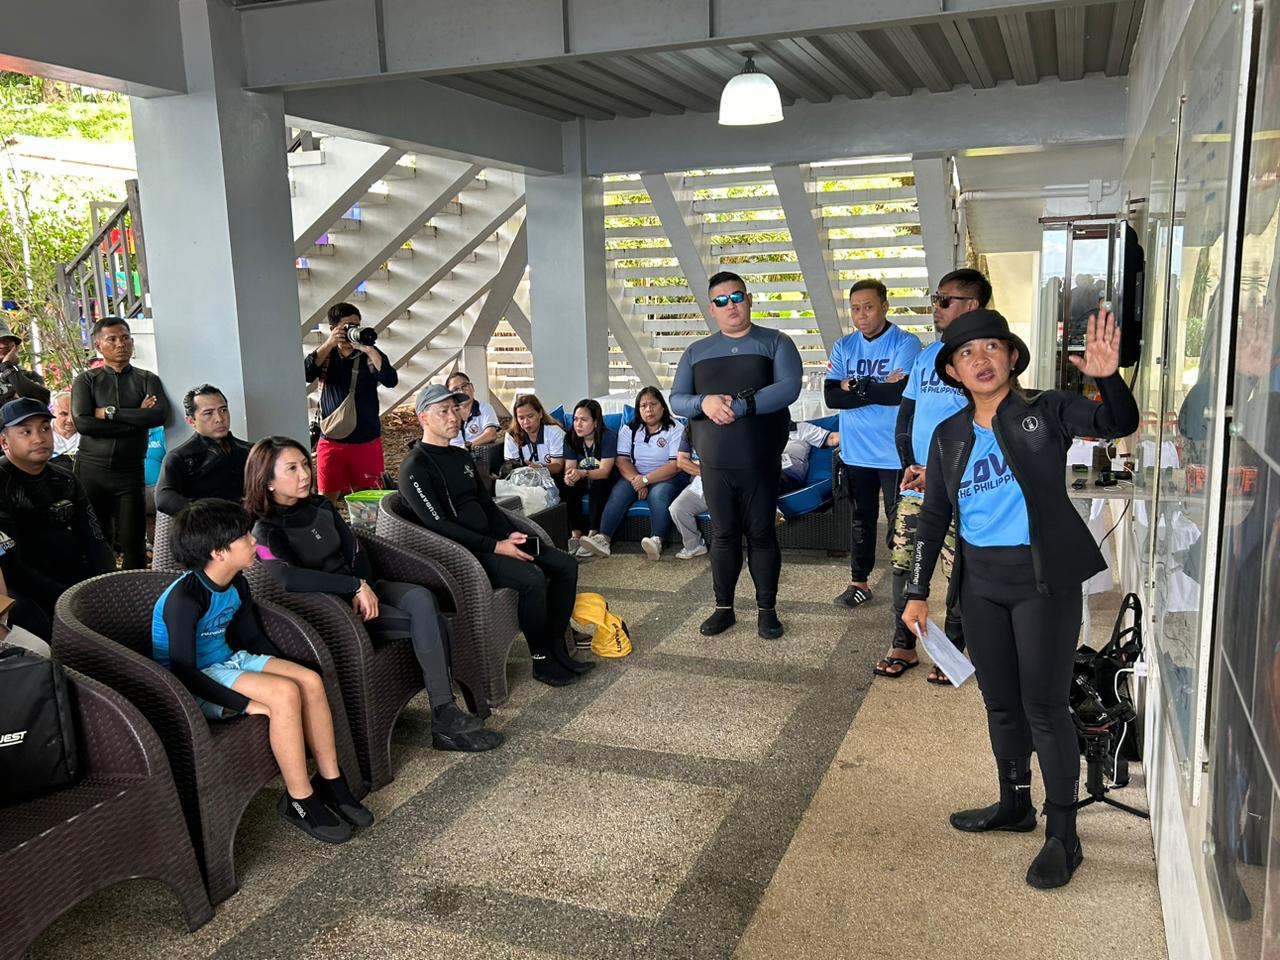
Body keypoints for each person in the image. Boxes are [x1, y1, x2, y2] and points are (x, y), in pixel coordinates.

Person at [902, 308, 1138, 890]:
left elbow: (1117, 420)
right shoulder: (949, 434)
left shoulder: (1047, 410)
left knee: (1045, 706)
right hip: (979, 583)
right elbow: (932, 518)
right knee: (1000, 703)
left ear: (1010, 356)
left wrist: (1108, 376)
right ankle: (1014, 805)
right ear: (954, 371)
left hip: (1041, 580)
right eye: (966, 354)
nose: (980, 360)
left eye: (990, 348)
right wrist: (915, 593)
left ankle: (1064, 835)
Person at [244, 435, 501, 751]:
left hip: (365, 590)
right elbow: (288, 578)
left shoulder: (322, 505)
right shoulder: (265, 530)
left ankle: (444, 715)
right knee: (438, 625)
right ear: (267, 481)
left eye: (304, 465)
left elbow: (355, 550)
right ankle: (444, 716)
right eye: (292, 469)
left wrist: (362, 584)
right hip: (335, 610)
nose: (305, 475)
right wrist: (351, 588)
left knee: (422, 597)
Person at [152, 499, 372, 843]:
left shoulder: (237, 582)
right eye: (244, 537)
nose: (254, 541)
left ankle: (332, 783)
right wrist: (244, 704)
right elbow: (183, 669)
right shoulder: (185, 599)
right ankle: (300, 800)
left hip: (227, 660)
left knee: (308, 680)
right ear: (219, 552)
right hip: (192, 682)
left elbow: (252, 637)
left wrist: (284, 668)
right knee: (284, 695)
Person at [399, 384, 587, 688]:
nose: (454, 417)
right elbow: (439, 527)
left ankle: (556, 647)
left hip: (494, 539)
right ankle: (541, 660)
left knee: (566, 565)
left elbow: (487, 506)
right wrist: (496, 546)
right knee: (531, 578)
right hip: (463, 553)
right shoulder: (414, 467)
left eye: (455, 409)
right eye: (443, 411)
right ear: (423, 417)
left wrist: (510, 534)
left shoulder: (461, 458)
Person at [670, 271, 803, 639]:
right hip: (714, 465)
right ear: (711, 308)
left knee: (761, 534)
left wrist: (744, 406)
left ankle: (767, 610)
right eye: (721, 300)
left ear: (748, 299)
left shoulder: (776, 342)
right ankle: (723, 608)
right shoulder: (696, 352)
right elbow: (677, 399)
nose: (731, 305)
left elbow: (789, 387)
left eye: (737, 297)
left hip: (759, 462)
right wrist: (705, 402)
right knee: (724, 536)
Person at [878, 269, 991, 684]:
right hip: (918, 483)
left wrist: (940, 471)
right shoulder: (928, 355)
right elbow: (906, 418)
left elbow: (987, 427)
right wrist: (910, 462)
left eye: (944, 300)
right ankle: (903, 643)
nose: (935, 308)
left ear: (971, 306)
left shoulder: (984, 360)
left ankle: (956, 650)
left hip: (964, 487)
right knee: (903, 561)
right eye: (935, 299)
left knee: (959, 569)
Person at [824, 279, 922, 608]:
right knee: (860, 518)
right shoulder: (844, 346)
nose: (861, 314)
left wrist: (855, 386)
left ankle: (905, 587)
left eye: (868, 306)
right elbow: (830, 396)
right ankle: (859, 582)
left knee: (901, 522)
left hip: (895, 453)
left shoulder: (905, 343)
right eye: (855, 308)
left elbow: (899, 393)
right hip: (856, 451)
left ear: (884, 306)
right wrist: (875, 387)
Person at [0, 398, 115, 628]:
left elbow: (94, 538)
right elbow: (12, 566)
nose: (39, 437)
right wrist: (67, 596)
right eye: (26, 432)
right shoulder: (2, 485)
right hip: (23, 587)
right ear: (4, 441)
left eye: (44, 428)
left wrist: (108, 583)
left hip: (72, 577)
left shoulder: (65, 479)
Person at [71, 317, 168, 569]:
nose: (120, 344)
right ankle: (97, 595)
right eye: (111, 339)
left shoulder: (147, 378)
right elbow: (83, 423)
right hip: (92, 469)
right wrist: (137, 416)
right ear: (98, 345)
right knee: (95, 538)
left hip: (130, 472)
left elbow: (158, 415)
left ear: (132, 342)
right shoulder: (86, 381)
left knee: (134, 540)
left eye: (125, 338)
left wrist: (109, 412)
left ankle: (134, 595)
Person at [578, 387, 686, 561]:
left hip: (669, 476)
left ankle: (656, 540)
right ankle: (604, 539)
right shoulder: (630, 429)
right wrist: (637, 479)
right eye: (643, 406)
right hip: (635, 474)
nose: (648, 409)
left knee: (658, 494)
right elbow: (622, 460)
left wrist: (645, 480)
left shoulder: (675, 428)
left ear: (663, 407)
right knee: (619, 492)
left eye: (653, 404)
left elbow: (675, 465)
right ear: (638, 409)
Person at [304, 302, 398, 502]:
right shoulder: (326, 355)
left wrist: (370, 349)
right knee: (326, 499)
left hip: (366, 440)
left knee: (369, 501)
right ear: (333, 329)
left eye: (357, 325)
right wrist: (329, 344)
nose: (353, 331)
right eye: (347, 326)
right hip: (332, 440)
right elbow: (305, 373)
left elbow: (390, 380)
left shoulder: (369, 355)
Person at [155, 384, 253, 515]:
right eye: (208, 413)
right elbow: (164, 498)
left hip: (252, 525)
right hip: (209, 527)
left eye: (223, 410)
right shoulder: (179, 457)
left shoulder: (250, 450)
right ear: (191, 421)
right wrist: (206, 514)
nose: (219, 419)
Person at [561, 399, 618, 557]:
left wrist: (582, 473)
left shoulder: (608, 437)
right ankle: (576, 535)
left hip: (604, 478)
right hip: (583, 476)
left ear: (595, 422)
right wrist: (569, 476)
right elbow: (569, 467)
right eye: (575, 419)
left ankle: (593, 535)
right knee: (568, 486)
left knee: (598, 485)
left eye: (584, 420)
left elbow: (605, 471)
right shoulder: (570, 437)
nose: (578, 424)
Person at [501, 393, 566, 477]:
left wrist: (540, 468)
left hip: (554, 479)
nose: (526, 422)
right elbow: (511, 468)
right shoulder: (511, 435)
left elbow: (558, 466)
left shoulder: (554, 432)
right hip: (523, 481)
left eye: (530, 416)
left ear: (540, 414)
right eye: (521, 418)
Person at [667, 432, 708, 560]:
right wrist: (707, 473)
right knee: (677, 508)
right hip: (700, 482)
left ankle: (754, 550)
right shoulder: (690, 428)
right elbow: (681, 461)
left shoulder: (727, 422)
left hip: (728, 482)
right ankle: (694, 545)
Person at [780, 418, 839, 493]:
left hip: (788, 476)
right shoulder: (764, 435)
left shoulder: (801, 428)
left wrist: (854, 433)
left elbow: (832, 439)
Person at [445, 371, 499, 449]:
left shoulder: (484, 408)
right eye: (455, 389)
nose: (461, 391)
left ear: (472, 387)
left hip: (476, 455)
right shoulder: (447, 413)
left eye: (464, 386)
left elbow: (491, 434)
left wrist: (466, 447)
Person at [0, 321, 50, 406]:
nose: (3, 345)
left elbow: (42, 398)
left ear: (14, 347)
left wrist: (8, 367)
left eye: (7, 340)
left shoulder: (29, 375)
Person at [50, 390, 80, 458]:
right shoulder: (44, 433)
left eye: (74, 413)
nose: (70, 420)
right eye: (64, 414)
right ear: (53, 412)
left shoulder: (87, 431)